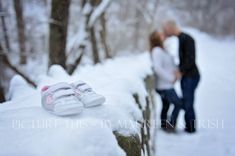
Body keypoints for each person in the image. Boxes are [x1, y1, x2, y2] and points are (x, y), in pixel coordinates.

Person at [162, 20, 200, 133]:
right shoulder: (180, 38)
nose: (166, 32)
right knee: (187, 101)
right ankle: (188, 126)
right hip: (187, 76)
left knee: (188, 102)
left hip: (191, 76)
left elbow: (190, 60)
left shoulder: (187, 39)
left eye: (166, 29)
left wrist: (181, 72)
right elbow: (184, 61)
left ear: (171, 27)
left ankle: (191, 128)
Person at [149, 31, 182, 132]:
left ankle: (164, 125)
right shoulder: (157, 51)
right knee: (178, 104)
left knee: (166, 105)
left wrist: (176, 71)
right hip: (164, 86)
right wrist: (171, 78)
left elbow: (169, 64)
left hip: (167, 84)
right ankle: (170, 125)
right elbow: (158, 68)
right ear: (156, 39)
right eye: (161, 35)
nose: (163, 36)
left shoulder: (162, 50)